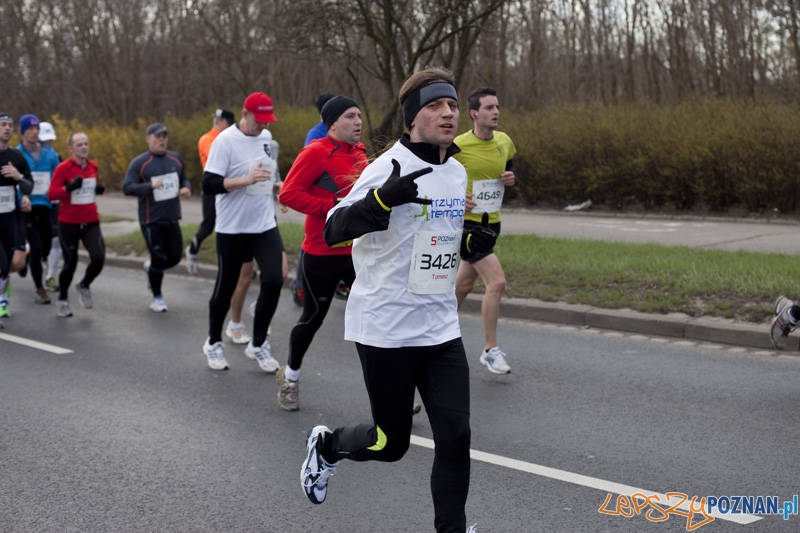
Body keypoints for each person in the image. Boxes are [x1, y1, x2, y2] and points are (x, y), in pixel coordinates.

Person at [301, 67, 496, 533]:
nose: (448, 113)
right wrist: (380, 202)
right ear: (412, 117)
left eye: (452, 105)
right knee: (390, 444)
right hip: (386, 328)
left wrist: (470, 242)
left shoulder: (456, 171)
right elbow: (332, 229)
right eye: (435, 106)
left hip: (439, 326)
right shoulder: (385, 168)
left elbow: (435, 237)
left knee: (456, 437)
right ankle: (327, 447)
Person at [276, 96, 367, 411]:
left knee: (372, 318)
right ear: (332, 123)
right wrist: (332, 207)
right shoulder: (315, 152)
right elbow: (288, 194)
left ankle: (390, 389)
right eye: (350, 116)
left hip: (357, 252)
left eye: (359, 115)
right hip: (321, 253)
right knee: (313, 318)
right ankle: (290, 378)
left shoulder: (360, 152)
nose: (358, 121)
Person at [200, 92, 284, 372]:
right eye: (259, 120)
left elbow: (266, 174)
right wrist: (245, 180)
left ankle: (258, 344)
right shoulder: (224, 141)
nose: (263, 126)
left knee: (275, 279)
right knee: (225, 287)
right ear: (245, 114)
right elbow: (208, 184)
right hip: (233, 228)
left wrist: (276, 186)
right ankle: (213, 342)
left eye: (267, 121)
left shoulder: (266, 137)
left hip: (263, 224)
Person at [453, 87, 517, 375]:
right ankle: (491, 350)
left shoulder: (504, 141)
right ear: (474, 113)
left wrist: (510, 176)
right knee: (497, 282)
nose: (496, 112)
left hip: (493, 223)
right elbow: (440, 177)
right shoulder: (458, 145)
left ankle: (430, 332)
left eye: (497, 107)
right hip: (468, 226)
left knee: (463, 286)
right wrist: (457, 197)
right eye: (489, 107)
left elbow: (509, 165)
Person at [188, 109, 257, 344]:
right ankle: (192, 250)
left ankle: (250, 311)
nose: (227, 125)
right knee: (208, 225)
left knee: (256, 270)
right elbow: (217, 169)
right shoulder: (212, 139)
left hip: (243, 199)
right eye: (225, 122)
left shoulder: (244, 137)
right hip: (217, 190)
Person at [123, 123, 192, 312]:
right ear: (148, 139)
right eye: (158, 137)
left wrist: (186, 188)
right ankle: (157, 297)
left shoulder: (175, 159)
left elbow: (184, 178)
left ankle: (151, 269)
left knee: (175, 258)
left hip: (172, 218)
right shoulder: (140, 163)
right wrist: (149, 186)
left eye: (164, 137)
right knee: (159, 259)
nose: (162, 140)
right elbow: (127, 187)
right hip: (150, 220)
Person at [47, 132, 106, 317]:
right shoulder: (63, 168)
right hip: (69, 223)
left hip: (90, 221)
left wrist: (97, 189)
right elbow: (52, 194)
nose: (83, 147)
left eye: (86, 144)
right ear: (70, 148)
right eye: (79, 144)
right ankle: (63, 299)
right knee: (70, 264)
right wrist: (68, 188)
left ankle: (84, 285)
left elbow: (89, 190)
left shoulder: (93, 166)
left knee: (98, 258)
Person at [292, 92, 335, 307]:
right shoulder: (315, 134)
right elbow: (307, 169)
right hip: (318, 201)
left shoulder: (342, 131)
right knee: (311, 243)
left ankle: (339, 283)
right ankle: (300, 286)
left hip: (336, 202)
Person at [16, 114, 61, 305]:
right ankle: (39, 289)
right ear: (23, 132)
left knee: (46, 246)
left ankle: (26, 259)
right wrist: (21, 198)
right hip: (26, 207)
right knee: (36, 246)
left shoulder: (50, 153)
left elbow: (58, 175)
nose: (34, 132)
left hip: (46, 205)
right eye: (30, 129)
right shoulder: (16, 154)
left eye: (36, 129)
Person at [0, 112, 34, 318]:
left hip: (10, 219)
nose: (7, 128)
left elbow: (30, 187)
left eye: (9, 125)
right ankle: (2, 300)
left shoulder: (16, 158)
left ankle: (3, 290)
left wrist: (18, 177)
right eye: (3, 124)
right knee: (1, 263)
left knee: (11, 264)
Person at [39, 121, 63, 293]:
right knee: (38, 242)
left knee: (56, 240)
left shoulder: (56, 157)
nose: (47, 144)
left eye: (49, 140)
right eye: (44, 141)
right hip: (33, 206)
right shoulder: (23, 155)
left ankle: (50, 276)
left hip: (53, 205)